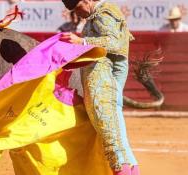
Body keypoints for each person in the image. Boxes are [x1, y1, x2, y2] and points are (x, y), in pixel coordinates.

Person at [60, 0, 139, 175]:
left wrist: (82, 42)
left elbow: (115, 43)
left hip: (103, 84)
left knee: (114, 143)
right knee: (119, 143)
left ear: (86, 1)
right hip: (104, 83)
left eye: (77, 8)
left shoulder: (104, 12)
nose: (77, 13)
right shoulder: (96, 16)